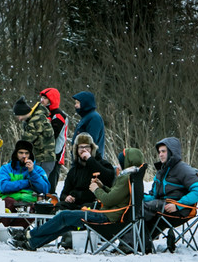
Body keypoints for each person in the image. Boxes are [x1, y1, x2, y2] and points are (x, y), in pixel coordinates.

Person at [9, 148, 144, 251]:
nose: (119, 163)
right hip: (112, 215)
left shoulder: (125, 178)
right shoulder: (131, 177)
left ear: (127, 161)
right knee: (69, 222)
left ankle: (29, 235)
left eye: (122, 160)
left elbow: (108, 200)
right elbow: (116, 197)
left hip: (107, 217)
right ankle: (32, 243)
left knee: (64, 216)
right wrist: (102, 186)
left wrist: (96, 190)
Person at [141, 137, 198, 252]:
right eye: (159, 152)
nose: (160, 154)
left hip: (179, 210)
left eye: (163, 151)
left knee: (142, 209)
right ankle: (138, 242)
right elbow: (154, 196)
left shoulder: (183, 169)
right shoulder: (162, 170)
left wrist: (178, 205)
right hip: (162, 206)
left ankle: (136, 244)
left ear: (171, 152)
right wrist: (139, 197)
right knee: (136, 205)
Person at [58, 133, 116, 210]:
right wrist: (67, 197)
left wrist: (89, 160)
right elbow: (63, 193)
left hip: (93, 204)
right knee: (59, 206)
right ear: (77, 150)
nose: (84, 150)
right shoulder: (74, 170)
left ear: (92, 148)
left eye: (87, 147)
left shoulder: (103, 164)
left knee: (86, 209)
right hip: (75, 204)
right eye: (81, 147)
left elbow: (109, 177)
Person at [12, 96, 56, 176]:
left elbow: (26, 141)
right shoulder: (33, 119)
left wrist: (15, 156)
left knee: (39, 184)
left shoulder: (36, 120)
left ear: (23, 112)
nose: (19, 119)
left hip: (44, 159)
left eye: (19, 116)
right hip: (42, 158)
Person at [39, 87, 68, 193]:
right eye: (41, 98)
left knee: (50, 185)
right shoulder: (46, 114)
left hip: (55, 154)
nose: (42, 100)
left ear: (52, 99)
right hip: (44, 155)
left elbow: (51, 135)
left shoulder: (58, 115)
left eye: (45, 98)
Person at [71, 91, 105, 159]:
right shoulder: (86, 117)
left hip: (89, 161)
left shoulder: (94, 118)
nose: (75, 105)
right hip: (81, 160)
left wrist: (87, 159)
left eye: (78, 103)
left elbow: (91, 142)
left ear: (85, 103)